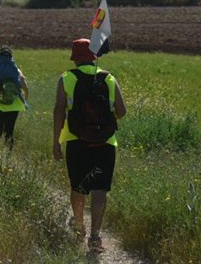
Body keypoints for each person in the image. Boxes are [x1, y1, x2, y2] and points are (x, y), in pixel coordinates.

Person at [52, 38, 126, 254]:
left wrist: (56, 142)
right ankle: (95, 237)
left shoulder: (66, 78)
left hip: (76, 141)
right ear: (94, 56)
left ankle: (78, 226)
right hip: (105, 143)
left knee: (78, 186)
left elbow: (58, 111)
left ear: (74, 59)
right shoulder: (109, 78)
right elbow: (122, 112)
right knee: (100, 189)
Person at [0, 46, 28, 149]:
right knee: (9, 132)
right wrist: (24, 100)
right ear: (11, 57)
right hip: (14, 106)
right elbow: (26, 88)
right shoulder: (16, 70)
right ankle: (8, 154)